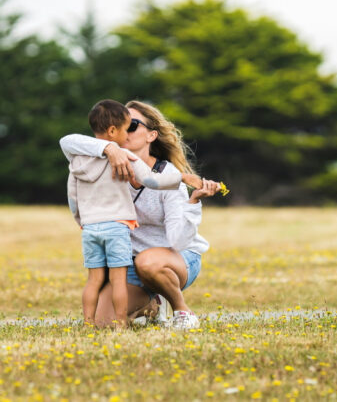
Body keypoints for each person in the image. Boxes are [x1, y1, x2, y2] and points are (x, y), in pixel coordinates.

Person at [60, 100, 221, 330]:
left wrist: (192, 202)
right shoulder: (104, 163)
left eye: (132, 125)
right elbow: (67, 142)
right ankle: (151, 305)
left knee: (149, 262)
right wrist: (109, 148)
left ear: (151, 135)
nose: (125, 130)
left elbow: (177, 241)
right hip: (130, 262)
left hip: (176, 259)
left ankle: (181, 310)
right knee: (102, 322)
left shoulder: (168, 176)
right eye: (120, 124)